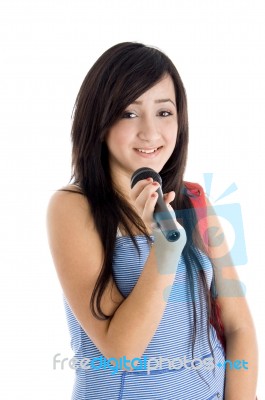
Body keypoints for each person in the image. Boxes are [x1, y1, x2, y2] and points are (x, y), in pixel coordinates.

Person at [46, 42, 258, 399]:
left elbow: (239, 325)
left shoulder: (194, 200)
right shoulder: (72, 208)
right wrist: (166, 247)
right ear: (99, 121)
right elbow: (122, 353)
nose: (150, 132)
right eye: (129, 113)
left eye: (164, 112)